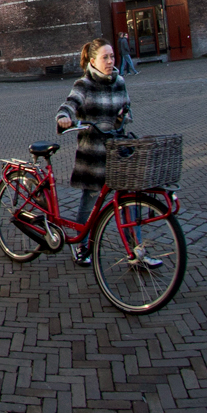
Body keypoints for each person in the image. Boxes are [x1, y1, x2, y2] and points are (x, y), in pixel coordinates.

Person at [55, 38, 155, 268]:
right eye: (105, 57)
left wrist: (122, 115)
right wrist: (64, 118)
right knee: (90, 202)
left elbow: (126, 109)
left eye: (112, 57)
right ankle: (81, 245)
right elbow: (70, 103)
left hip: (118, 152)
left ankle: (136, 251)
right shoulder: (84, 85)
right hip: (93, 155)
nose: (110, 61)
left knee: (130, 202)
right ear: (93, 61)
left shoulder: (119, 81)